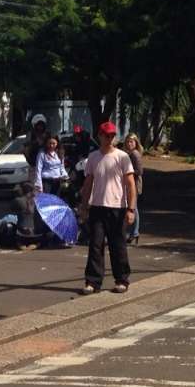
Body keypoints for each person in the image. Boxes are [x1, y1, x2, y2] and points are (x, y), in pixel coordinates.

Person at [79, 121, 137, 295]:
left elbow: (131, 184)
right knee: (95, 245)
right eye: (106, 135)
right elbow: (88, 183)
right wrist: (84, 207)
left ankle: (122, 280)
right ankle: (93, 282)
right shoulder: (93, 158)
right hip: (97, 206)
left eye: (112, 136)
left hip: (117, 207)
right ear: (100, 136)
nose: (109, 139)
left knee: (117, 244)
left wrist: (131, 209)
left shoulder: (122, 157)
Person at [124, 133, 144, 245]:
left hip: (135, 184)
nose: (129, 143)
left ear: (136, 143)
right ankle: (133, 232)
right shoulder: (129, 154)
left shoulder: (135, 154)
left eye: (132, 141)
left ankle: (135, 232)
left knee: (133, 208)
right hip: (131, 184)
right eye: (128, 141)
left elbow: (140, 171)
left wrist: (129, 173)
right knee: (132, 207)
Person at [25, 114, 50, 178]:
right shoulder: (30, 135)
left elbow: (55, 146)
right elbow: (27, 148)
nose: (40, 127)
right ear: (35, 125)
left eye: (42, 125)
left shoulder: (48, 135)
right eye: (38, 125)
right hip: (34, 164)